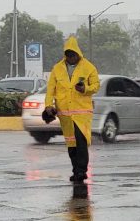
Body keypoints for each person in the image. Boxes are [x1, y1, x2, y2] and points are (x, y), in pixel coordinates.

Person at [44, 36, 100, 182]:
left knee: (81, 142)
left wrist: (85, 89)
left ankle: (82, 171)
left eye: (73, 55)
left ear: (78, 54)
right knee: (71, 143)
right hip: (65, 114)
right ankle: (76, 170)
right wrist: (48, 105)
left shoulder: (88, 67)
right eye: (68, 55)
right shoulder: (57, 68)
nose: (71, 58)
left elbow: (96, 86)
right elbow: (51, 89)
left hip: (82, 114)